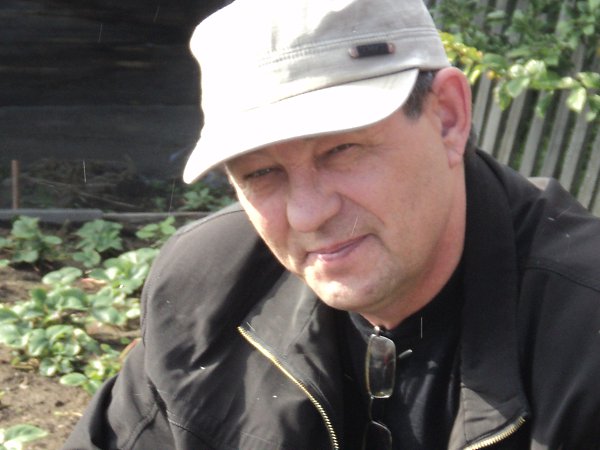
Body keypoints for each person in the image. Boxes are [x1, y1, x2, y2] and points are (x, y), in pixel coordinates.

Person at [64, 0, 600, 448]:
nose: (307, 213)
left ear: (448, 117)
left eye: (342, 150)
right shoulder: (202, 289)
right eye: (260, 173)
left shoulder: (583, 342)